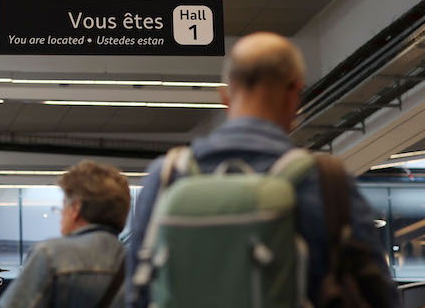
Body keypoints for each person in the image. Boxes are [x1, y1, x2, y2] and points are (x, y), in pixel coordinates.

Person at [125, 32, 399, 308]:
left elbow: (137, 294)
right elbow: (378, 296)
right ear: (295, 94)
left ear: (225, 95)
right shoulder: (325, 182)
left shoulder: (168, 176)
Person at [0, 161, 128, 308]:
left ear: (76, 208)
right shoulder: (140, 262)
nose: (61, 214)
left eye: (64, 205)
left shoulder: (51, 256)